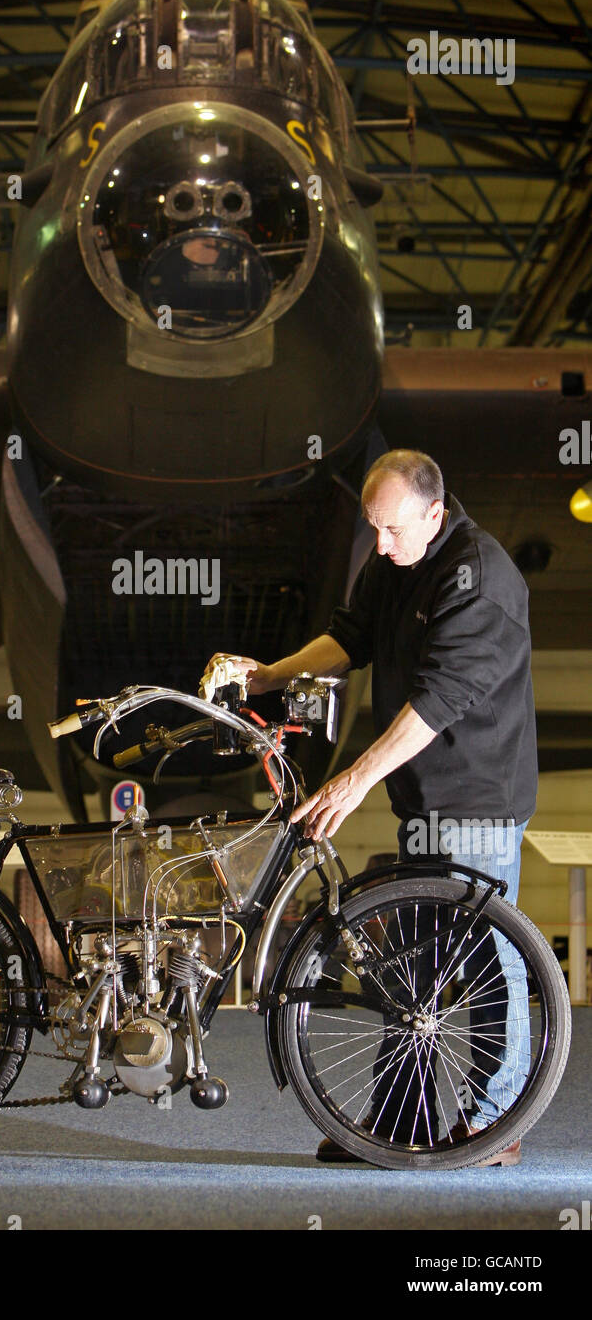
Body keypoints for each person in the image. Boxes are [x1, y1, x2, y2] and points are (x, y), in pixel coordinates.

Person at [207, 449, 537, 1165]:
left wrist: (352, 783)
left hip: (479, 799)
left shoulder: (480, 582)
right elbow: (348, 639)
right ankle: (397, 1125)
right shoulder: (397, 564)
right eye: (372, 529)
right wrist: (267, 677)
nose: (381, 546)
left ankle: (498, 1125)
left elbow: (437, 703)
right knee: (412, 975)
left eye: (392, 530)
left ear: (435, 514)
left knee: (489, 963)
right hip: (421, 797)